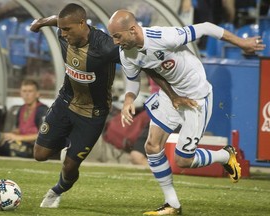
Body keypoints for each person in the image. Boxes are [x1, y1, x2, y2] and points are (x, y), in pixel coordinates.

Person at [29, 3, 196, 209]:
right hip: (65, 102)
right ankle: (66, 143)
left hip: (93, 114)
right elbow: (58, 19)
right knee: (39, 155)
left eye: (67, 29)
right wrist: (41, 22)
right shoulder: (64, 31)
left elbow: (142, 65)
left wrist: (172, 94)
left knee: (70, 166)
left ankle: (57, 190)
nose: (63, 34)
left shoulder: (106, 46)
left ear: (82, 24)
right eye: (61, 29)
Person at [107, 10, 265, 215]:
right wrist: (129, 98)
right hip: (169, 95)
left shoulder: (164, 36)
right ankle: (172, 204)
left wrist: (241, 43)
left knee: (183, 161)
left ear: (132, 29)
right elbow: (132, 79)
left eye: (117, 36)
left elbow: (207, 26)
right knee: (152, 146)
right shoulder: (126, 51)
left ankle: (225, 155)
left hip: (196, 96)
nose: (115, 41)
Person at [0, 79, 48, 158]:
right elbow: (19, 129)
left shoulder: (42, 110)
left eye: (30, 91)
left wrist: (18, 137)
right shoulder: (21, 109)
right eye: (24, 91)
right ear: (20, 93)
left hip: (35, 146)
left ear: (37, 94)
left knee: (5, 147)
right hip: (21, 143)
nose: (27, 94)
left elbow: (44, 135)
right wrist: (10, 135)